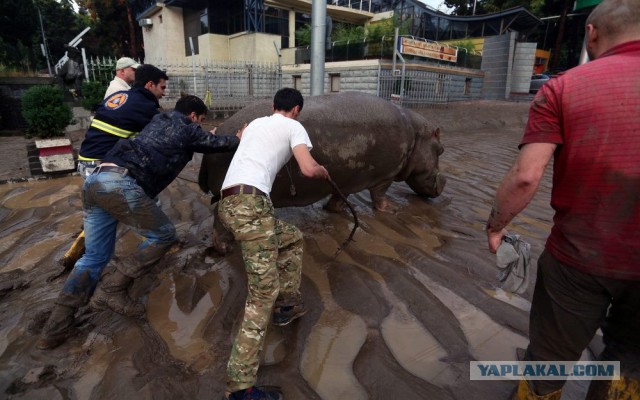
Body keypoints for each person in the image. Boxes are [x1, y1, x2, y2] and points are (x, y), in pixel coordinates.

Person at [485, 1, 640, 399]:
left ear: (591, 34)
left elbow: (525, 176)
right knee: (630, 360)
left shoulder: (564, 86)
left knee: (549, 358)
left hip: (578, 259)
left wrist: (497, 224)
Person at [37, 95, 241, 350]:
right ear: (193, 116)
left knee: (94, 257)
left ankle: (55, 328)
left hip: (96, 181)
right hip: (120, 185)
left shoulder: (159, 120)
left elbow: (197, 140)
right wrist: (238, 138)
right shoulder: (186, 127)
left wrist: (202, 135)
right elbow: (217, 143)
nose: (198, 125)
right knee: (164, 235)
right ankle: (114, 288)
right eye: (199, 121)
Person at [218, 88, 330, 400]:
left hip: (229, 206)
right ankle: (239, 388)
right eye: (297, 111)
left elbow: (241, 136)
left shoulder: (255, 124)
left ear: (272, 106)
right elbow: (307, 169)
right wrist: (322, 171)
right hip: (251, 207)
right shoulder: (294, 126)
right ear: (296, 109)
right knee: (260, 297)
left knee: (292, 238)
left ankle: (288, 304)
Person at [58, 64, 169, 270]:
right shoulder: (145, 107)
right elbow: (165, 135)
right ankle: (158, 246)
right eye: (162, 88)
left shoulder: (119, 97)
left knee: (105, 209)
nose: (164, 93)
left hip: (86, 163)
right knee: (149, 203)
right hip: (104, 168)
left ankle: (83, 250)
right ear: (150, 85)